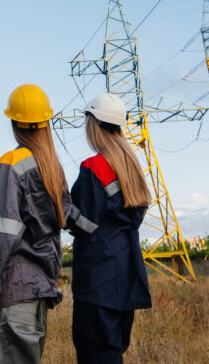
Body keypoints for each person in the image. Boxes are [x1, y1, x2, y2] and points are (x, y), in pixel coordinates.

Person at [0, 84, 71, 364]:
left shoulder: (12, 163)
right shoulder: (52, 168)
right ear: (46, 123)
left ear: (14, 123)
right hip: (38, 296)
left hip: (12, 296)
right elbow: (69, 216)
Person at [68, 92, 153, 364]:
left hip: (98, 282)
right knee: (112, 352)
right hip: (125, 280)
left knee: (95, 354)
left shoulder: (94, 167)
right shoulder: (131, 166)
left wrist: (59, 206)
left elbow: (85, 223)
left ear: (93, 123)